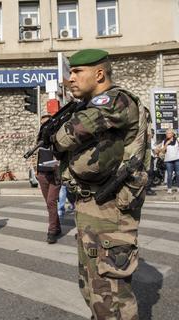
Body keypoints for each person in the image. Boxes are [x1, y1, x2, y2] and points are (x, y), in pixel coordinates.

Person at [52, 49, 150, 319]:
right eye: (70, 71)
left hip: (112, 210)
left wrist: (59, 132)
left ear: (99, 74)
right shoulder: (89, 105)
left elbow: (66, 136)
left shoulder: (116, 100)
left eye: (77, 72)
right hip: (93, 206)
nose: (70, 78)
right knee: (94, 288)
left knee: (112, 296)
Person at [36, 114, 61, 244]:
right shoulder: (39, 139)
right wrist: (36, 172)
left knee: (52, 202)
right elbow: (38, 155)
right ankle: (57, 227)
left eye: (46, 124)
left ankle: (51, 231)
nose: (44, 127)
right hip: (42, 174)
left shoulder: (59, 138)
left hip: (55, 174)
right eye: (42, 125)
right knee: (49, 204)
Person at [160, 128, 179, 194]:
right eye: (166, 133)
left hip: (177, 159)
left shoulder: (177, 140)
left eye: (169, 133)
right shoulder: (164, 141)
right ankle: (169, 188)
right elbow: (162, 151)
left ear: (172, 134)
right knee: (169, 175)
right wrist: (166, 144)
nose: (167, 134)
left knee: (178, 174)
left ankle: (178, 187)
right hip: (168, 161)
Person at [146, 128, 157, 195]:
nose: (152, 134)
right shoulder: (150, 140)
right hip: (150, 158)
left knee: (149, 173)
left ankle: (148, 188)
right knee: (150, 173)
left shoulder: (148, 140)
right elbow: (155, 150)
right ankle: (147, 189)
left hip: (149, 158)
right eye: (152, 133)